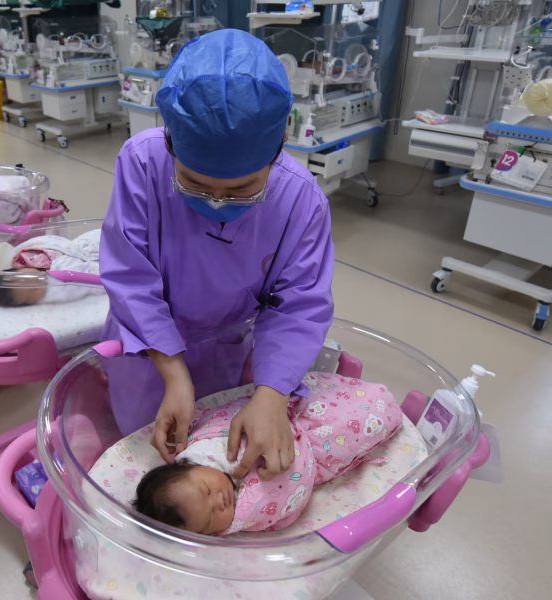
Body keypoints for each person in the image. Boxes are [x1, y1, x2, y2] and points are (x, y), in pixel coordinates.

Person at [99, 29, 335, 483]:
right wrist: (173, 373)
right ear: (171, 140)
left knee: (221, 464)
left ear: (279, 146)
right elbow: (130, 276)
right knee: (145, 463)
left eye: (243, 189)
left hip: (226, 347)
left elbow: (298, 306)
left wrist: (271, 394)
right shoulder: (142, 163)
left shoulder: (300, 201)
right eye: (194, 184)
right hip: (149, 350)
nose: (217, 202)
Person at [132, 373, 403, 535]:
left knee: (336, 400)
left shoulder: (207, 447)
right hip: (314, 448)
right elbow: (281, 492)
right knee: (359, 421)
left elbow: (218, 421)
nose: (219, 501)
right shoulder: (247, 509)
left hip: (288, 413)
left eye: (206, 490)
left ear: (188, 465)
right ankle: (383, 405)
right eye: (211, 517)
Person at [0, 228, 102, 307]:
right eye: (32, 291)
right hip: (92, 260)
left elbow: (48, 241)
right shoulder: (56, 291)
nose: (37, 282)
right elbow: (82, 284)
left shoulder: (22, 258)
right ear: (30, 303)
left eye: (27, 278)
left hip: (79, 246)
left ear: (18, 269)